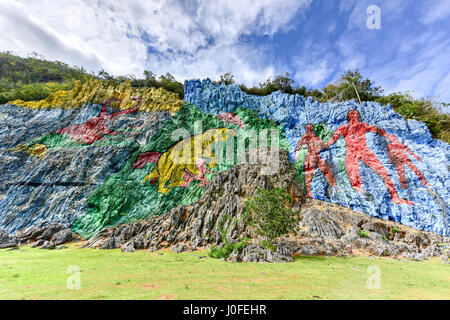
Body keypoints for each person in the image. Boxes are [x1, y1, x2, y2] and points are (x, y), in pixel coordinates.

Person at [322, 110, 414, 205]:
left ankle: (394, 196)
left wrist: (388, 135)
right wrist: (325, 145)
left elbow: (377, 130)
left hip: (363, 149)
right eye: (351, 114)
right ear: (348, 116)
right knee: (353, 173)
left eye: (355, 113)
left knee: (382, 171)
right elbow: (334, 138)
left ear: (358, 116)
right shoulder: (344, 127)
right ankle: (358, 191)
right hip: (351, 151)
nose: (354, 115)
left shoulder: (363, 125)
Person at [295, 124, 337, 198]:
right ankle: (309, 192)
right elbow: (299, 144)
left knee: (325, 170)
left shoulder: (315, 137)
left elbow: (323, 144)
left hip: (316, 156)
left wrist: (328, 143)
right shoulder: (305, 137)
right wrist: (297, 154)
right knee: (308, 173)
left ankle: (334, 186)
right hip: (309, 157)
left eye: (310, 128)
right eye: (307, 128)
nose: (309, 130)